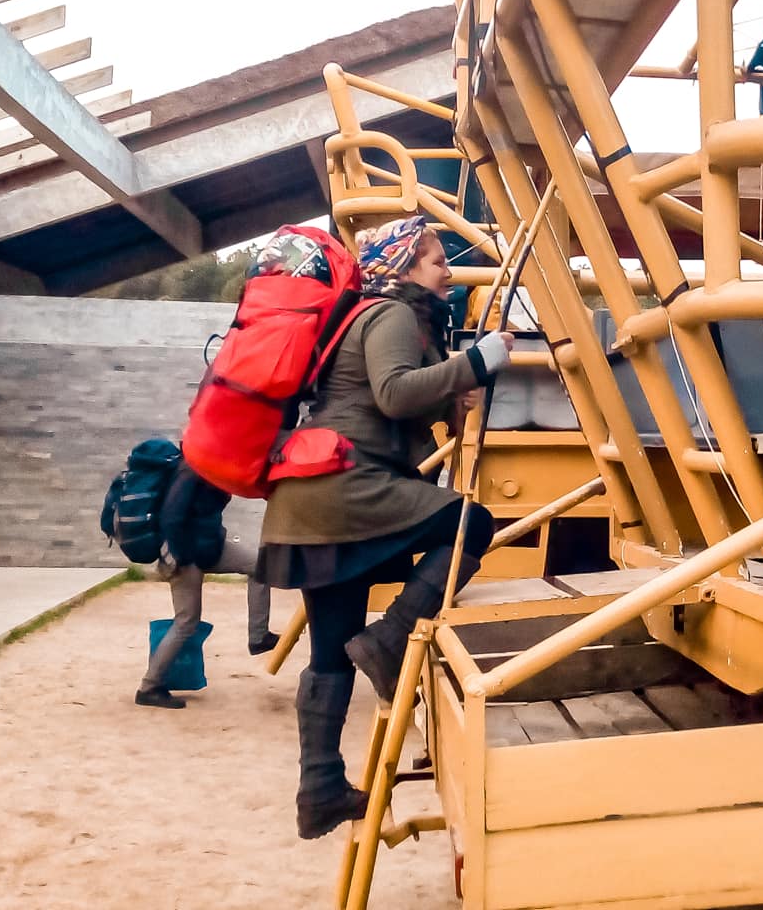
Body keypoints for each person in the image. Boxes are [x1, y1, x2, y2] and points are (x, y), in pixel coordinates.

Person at [255, 215, 511, 840]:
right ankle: (391, 639)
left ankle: (318, 788)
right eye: (434, 259)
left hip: (311, 500)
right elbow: (393, 395)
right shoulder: (390, 313)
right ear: (402, 266)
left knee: (327, 653)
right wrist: (479, 359)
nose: (446, 269)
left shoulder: (367, 317)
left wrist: (453, 396)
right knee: (469, 525)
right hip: (347, 488)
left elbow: (376, 398)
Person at [135, 462, 277, 709]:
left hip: (209, 548)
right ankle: (149, 687)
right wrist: (182, 557)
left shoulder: (210, 469)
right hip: (186, 556)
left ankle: (258, 636)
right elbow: (171, 516)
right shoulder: (190, 472)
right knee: (186, 621)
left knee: (259, 567)